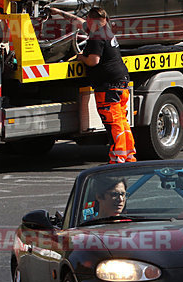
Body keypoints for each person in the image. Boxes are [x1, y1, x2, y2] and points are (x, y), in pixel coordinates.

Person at [50, 6, 136, 164]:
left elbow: (93, 61)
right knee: (122, 121)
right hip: (121, 82)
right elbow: (78, 22)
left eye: (88, 20)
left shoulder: (97, 36)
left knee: (113, 123)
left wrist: (80, 57)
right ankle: (128, 155)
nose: (86, 24)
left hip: (108, 87)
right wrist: (58, 12)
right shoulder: (106, 30)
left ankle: (118, 158)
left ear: (92, 20)